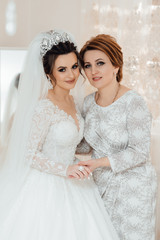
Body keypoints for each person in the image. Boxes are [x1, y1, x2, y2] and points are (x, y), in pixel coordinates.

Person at [0, 30, 119, 240]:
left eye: (74, 67)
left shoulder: (75, 102)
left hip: (77, 181)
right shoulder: (43, 108)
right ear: (48, 73)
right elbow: (29, 153)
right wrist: (65, 169)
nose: (72, 75)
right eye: (62, 69)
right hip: (46, 186)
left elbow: (75, 143)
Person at [77, 34, 157, 240]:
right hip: (101, 184)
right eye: (87, 65)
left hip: (133, 189)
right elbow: (86, 146)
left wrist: (98, 163)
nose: (93, 71)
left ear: (116, 65)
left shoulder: (133, 102)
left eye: (100, 63)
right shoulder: (88, 103)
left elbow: (139, 152)